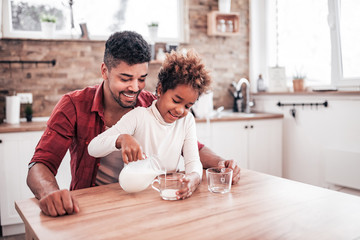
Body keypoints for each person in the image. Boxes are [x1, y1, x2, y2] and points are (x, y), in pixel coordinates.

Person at [27, 31, 241, 217]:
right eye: (125, 78)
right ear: (104, 71)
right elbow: (40, 163)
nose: (134, 87)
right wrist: (51, 194)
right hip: (94, 206)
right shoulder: (73, 105)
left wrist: (221, 163)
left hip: (144, 203)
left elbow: (192, 147)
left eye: (141, 78)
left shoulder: (152, 104)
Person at [88, 49, 211, 200]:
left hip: (168, 195)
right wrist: (121, 139)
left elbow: (193, 161)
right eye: (176, 101)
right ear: (160, 90)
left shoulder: (187, 121)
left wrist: (194, 177)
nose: (180, 110)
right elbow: (93, 147)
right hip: (137, 197)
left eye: (187, 106)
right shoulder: (139, 116)